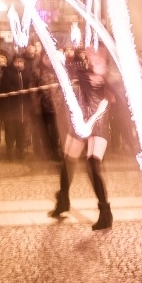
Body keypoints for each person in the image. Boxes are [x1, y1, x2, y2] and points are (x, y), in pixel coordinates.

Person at [48, 48, 113, 231]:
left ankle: (105, 212)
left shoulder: (107, 76)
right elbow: (68, 70)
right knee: (68, 161)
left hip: (97, 123)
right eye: (91, 54)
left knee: (92, 165)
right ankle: (63, 201)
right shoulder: (83, 70)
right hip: (81, 121)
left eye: (97, 55)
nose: (92, 56)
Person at [0, 54, 31, 160]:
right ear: (13, 62)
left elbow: (30, 88)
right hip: (10, 107)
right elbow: (4, 87)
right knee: (10, 130)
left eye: (21, 62)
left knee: (21, 130)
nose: (19, 64)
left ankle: (20, 150)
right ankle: (10, 150)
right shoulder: (7, 73)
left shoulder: (28, 73)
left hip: (23, 108)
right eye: (16, 62)